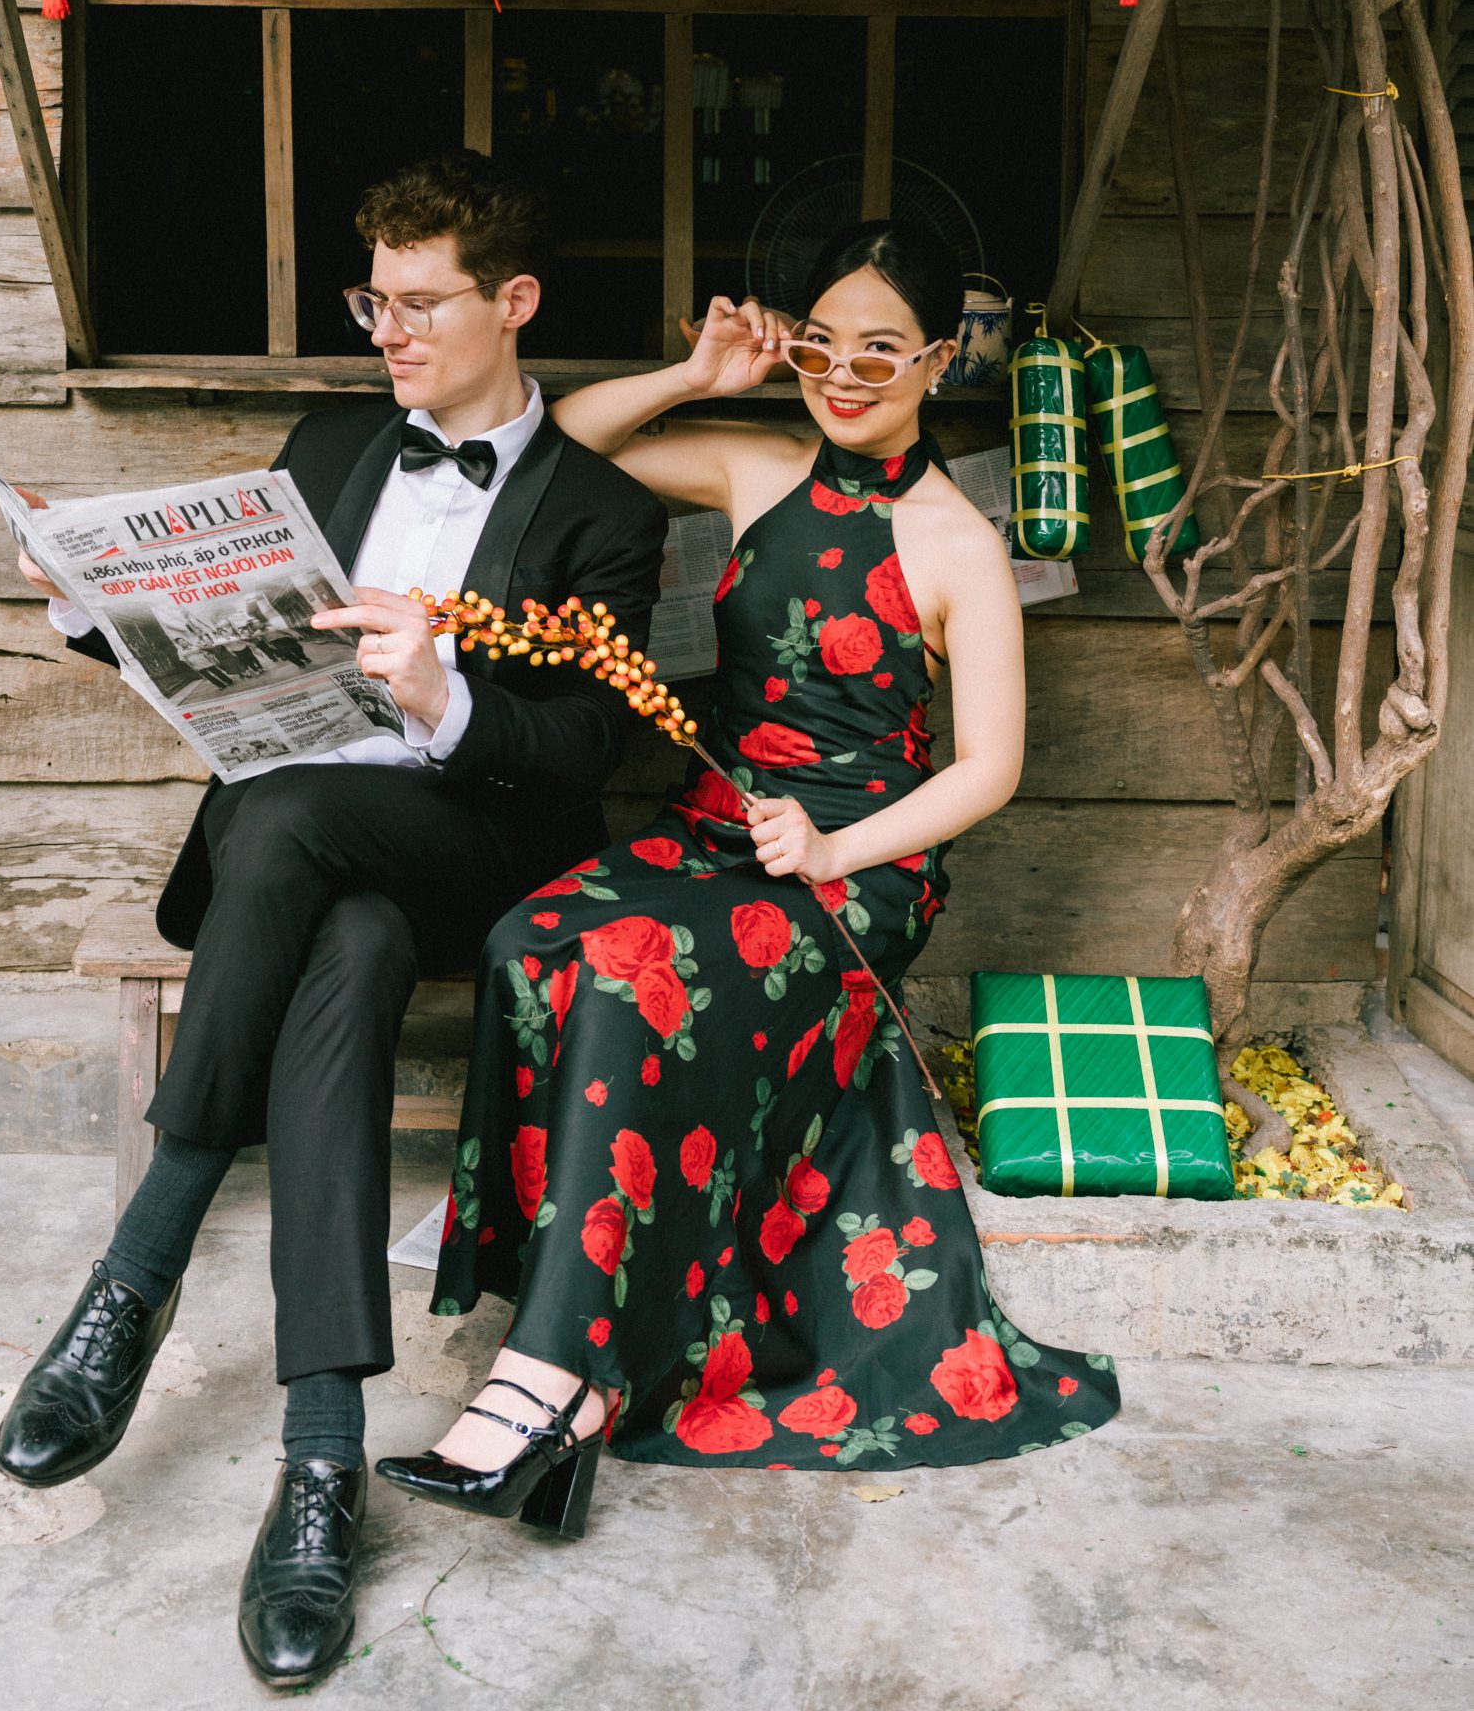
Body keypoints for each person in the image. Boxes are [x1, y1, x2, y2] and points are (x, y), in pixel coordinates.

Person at [0, 151, 666, 1691]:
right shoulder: (332, 445)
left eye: (422, 303)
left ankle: (136, 1270)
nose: (390, 333)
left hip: (468, 844)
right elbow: (220, 636)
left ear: (517, 301)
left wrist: (445, 698)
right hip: (297, 860)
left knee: (299, 827)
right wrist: (90, 598)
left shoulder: (601, 514)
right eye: (375, 301)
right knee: (340, 939)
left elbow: (585, 751)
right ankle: (319, 1461)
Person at [378, 219, 1120, 1533]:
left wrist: (836, 850)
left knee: (635, 971)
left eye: (881, 351)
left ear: (939, 360)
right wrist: (697, 376)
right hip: (708, 829)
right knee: (527, 943)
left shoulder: (959, 542)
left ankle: (549, 1385)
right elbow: (558, 446)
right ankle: (563, 1314)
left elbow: (990, 768)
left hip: (853, 864)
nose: (845, 376)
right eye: (821, 347)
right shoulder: (757, 467)